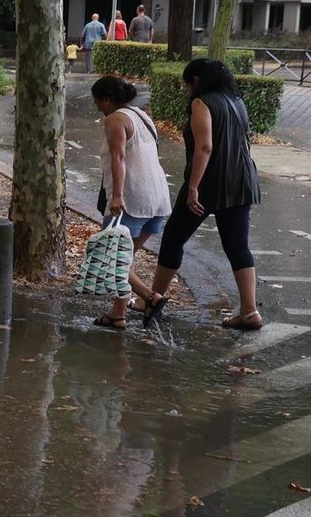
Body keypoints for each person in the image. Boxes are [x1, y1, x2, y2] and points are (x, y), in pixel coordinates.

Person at [144, 59, 263, 330]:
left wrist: (194, 187)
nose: (186, 89)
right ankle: (249, 311)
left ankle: (152, 299)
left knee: (174, 237)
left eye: (187, 83)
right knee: (237, 246)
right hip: (241, 181)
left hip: (210, 182)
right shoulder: (237, 101)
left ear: (196, 80)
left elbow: (205, 147)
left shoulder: (202, 103)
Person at [90, 76, 172, 329]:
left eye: (97, 101)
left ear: (106, 99)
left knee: (112, 257)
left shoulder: (115, 119)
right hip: (157, 197)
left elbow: (119, 158)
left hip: (132, 198)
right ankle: (118, 313)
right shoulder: (141, 115)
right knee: (125, 257)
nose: (96, 106)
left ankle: (150, 298)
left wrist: (117, 195)